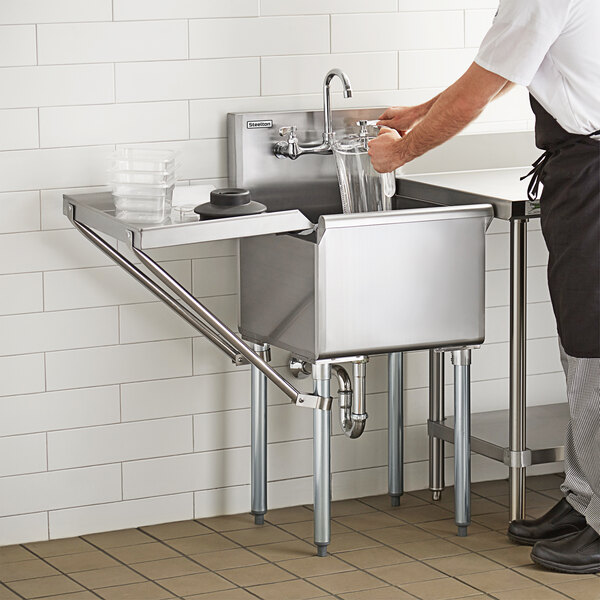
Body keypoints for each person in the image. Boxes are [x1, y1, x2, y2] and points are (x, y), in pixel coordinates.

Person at [369, 0, 600, 574]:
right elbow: (497, 73)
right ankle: (584, 498)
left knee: (596, 352)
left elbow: (475, 96)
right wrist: (419, 112)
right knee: (581, 350)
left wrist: (397, 153)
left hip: (594, 178)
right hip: (584, 175)